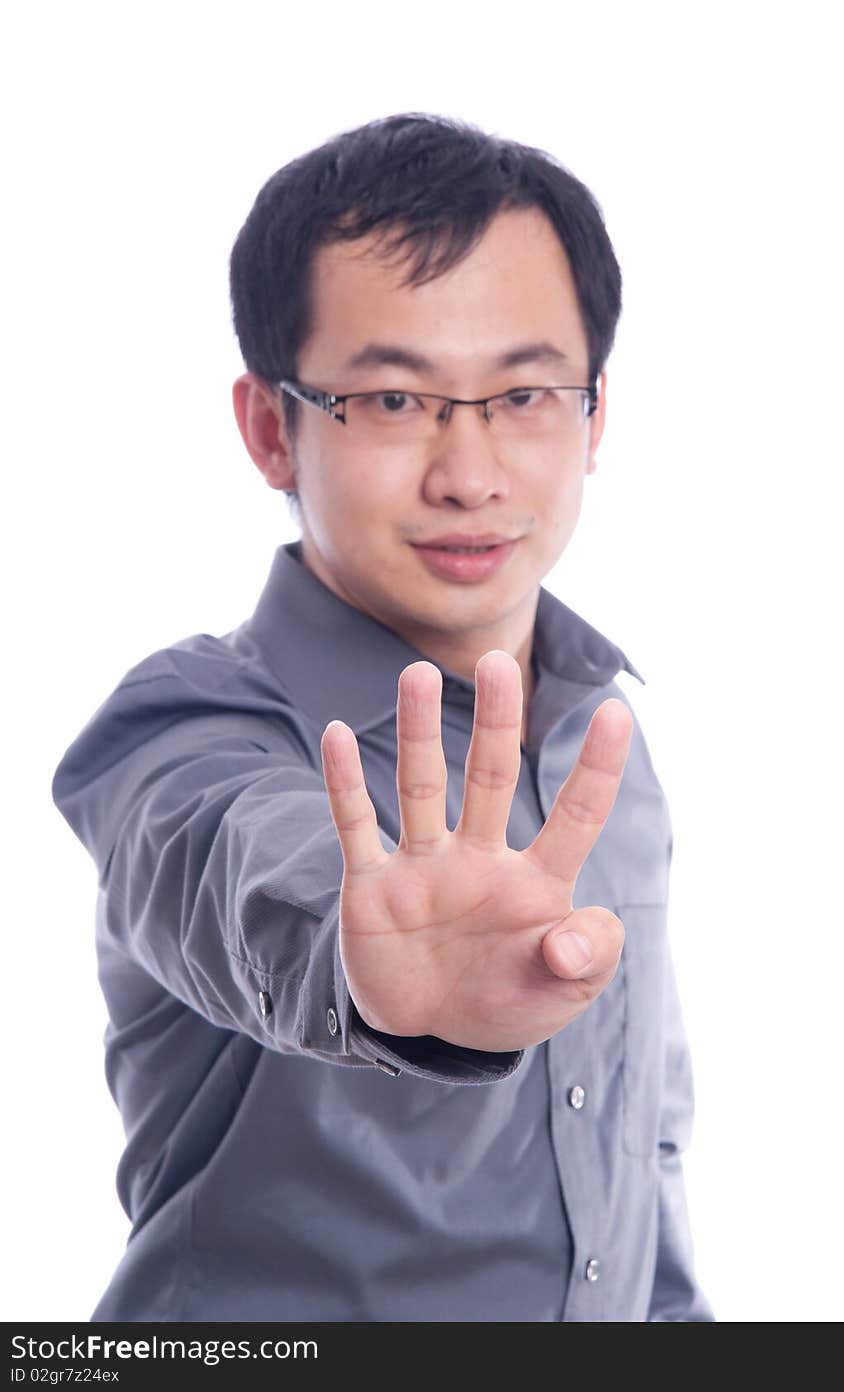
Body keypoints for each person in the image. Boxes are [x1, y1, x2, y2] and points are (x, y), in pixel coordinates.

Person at [51, 112, 713, 1322]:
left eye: (524, 392)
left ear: (595, 416)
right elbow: (228, 860)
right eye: (397, 400)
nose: (470, 473)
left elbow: (641, 1173)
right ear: (270, 427)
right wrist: (367, 963)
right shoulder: (181, 726)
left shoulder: (602, 737)